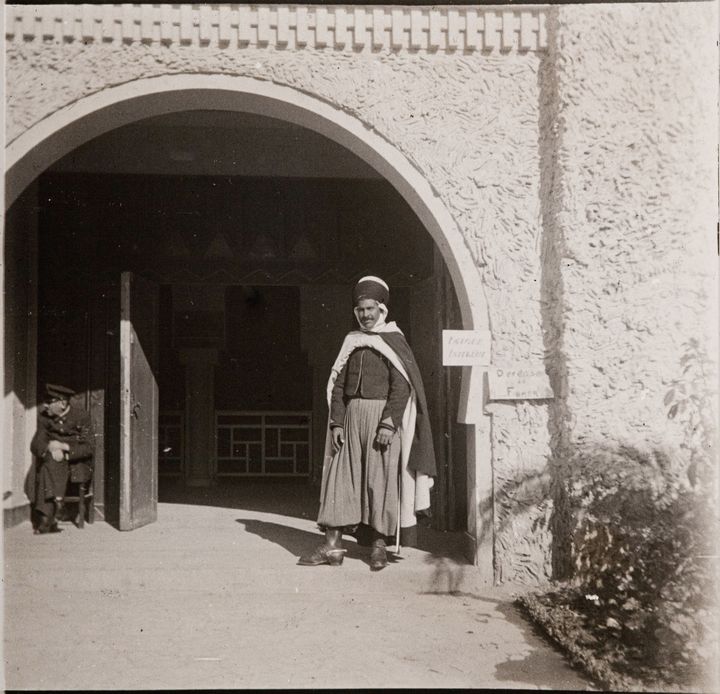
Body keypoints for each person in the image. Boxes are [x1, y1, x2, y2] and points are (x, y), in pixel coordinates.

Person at [298, 276, 436, 571]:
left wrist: (388, 424)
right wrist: (336, 422)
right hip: (350, 419)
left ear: (382, 309)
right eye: (360, 309)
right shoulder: (352, 341)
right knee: (339, 480)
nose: (365, 315)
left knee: (380, 482)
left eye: (370, 309)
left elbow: (402, 387)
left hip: (382, 423)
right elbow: (337, 386)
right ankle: (332, 547)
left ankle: (378, 548)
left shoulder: (394, 341)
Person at [28, 384, 95, 534]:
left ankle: (46, 517)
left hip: (77, 463)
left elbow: (89, 447)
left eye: (49, 402)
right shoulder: (44, 417)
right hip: (53, 461)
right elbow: (36, 444)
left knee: (48, 467)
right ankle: (57, 506)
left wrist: (65, 448)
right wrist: (50, 448)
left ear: (62, 403)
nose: (45, 406)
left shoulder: (81, 416)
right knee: (49, 464)